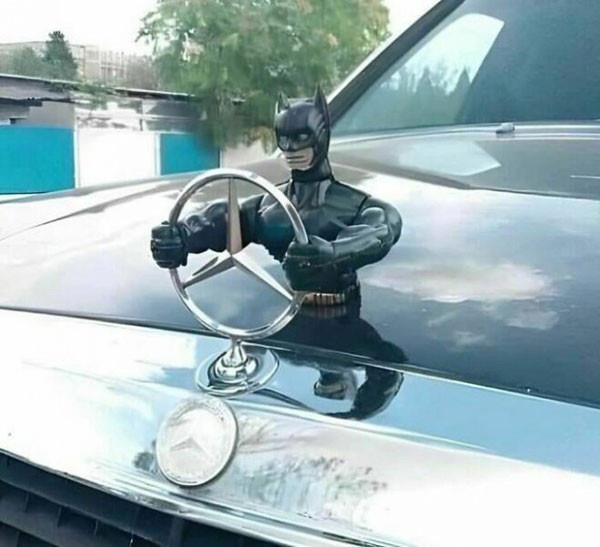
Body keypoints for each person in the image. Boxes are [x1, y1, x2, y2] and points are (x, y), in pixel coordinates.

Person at [151, 87, 402, 304]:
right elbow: (227, 218)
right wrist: (183, 234)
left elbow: (381, 228)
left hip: (341, 313)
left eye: (301, 137)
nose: (291, 148)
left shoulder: (358, 207)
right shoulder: (267, 206)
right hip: (277, 310)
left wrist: (336, 253)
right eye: (284, 139)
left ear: (322, 135)